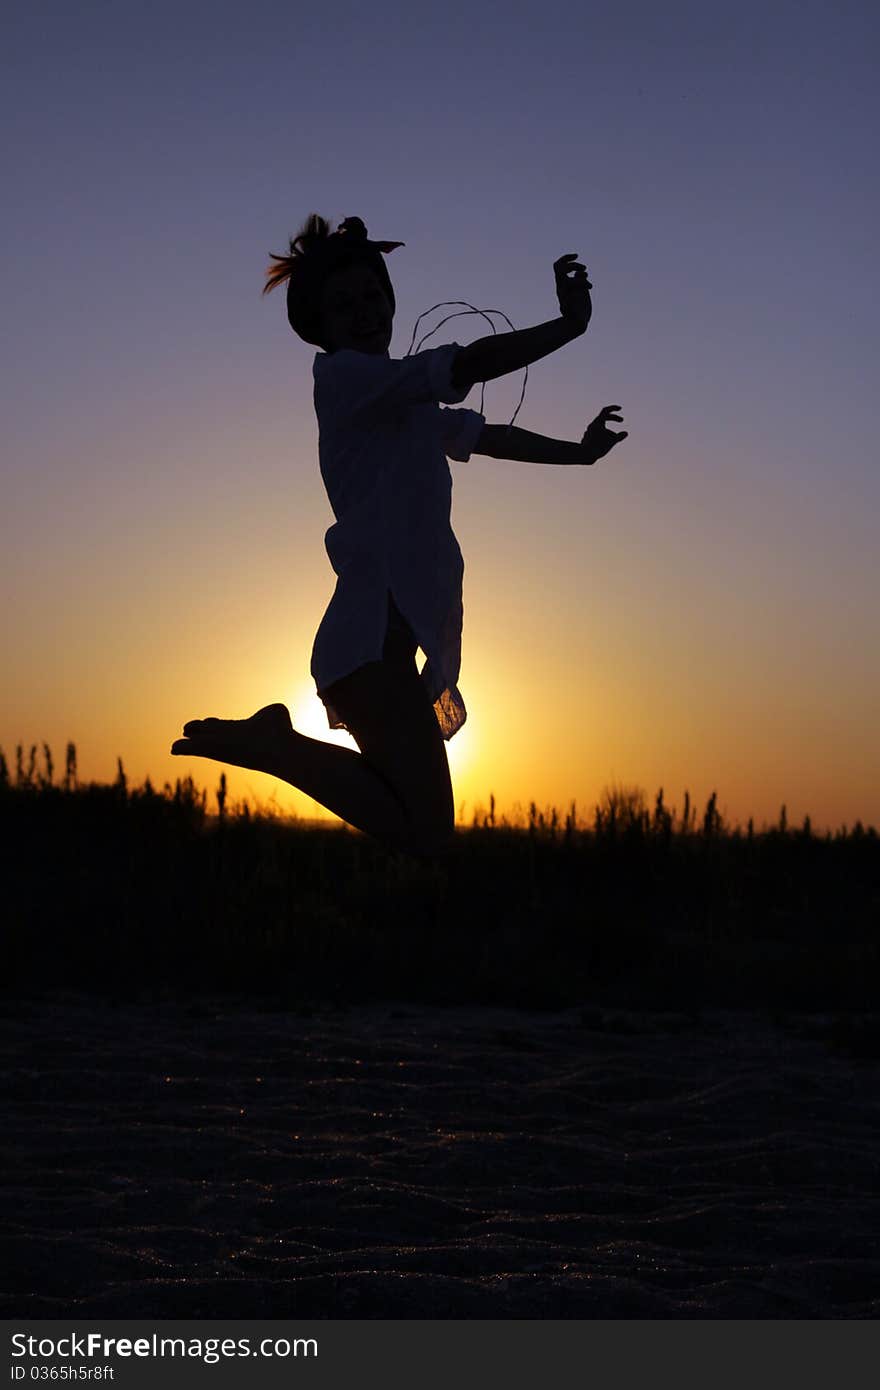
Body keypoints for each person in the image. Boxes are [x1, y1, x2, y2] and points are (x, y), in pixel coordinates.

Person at [171, 213, 627, 860]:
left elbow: (485, 436)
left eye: (371, 297)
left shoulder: (403, 405)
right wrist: (569, 326)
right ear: (320, 327)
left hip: (390, 650)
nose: (363, 312)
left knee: (421, 832)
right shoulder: (345, 382)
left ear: (390, 301)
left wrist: (578, 455)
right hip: (369, 646)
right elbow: (468, 361)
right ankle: (279, 747)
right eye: (343, 304)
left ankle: (280, 747)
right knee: (426, 836)